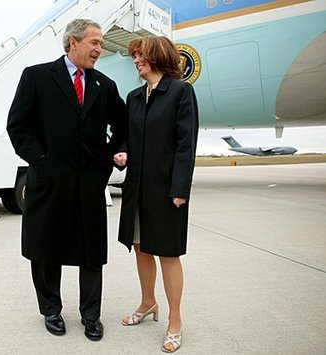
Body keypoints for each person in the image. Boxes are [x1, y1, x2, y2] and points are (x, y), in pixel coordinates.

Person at [7, 19, 126, 341]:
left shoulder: (104, 85)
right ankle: (51, 310)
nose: (100, 49)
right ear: (73, 42)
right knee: (46, 248)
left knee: (91, 252)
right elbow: (18, 125)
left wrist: (105, 164)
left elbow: (123, 127)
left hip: (88, 182)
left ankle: (91, 315)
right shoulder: (36, 77)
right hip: (49, 181)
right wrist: (40, 161)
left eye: (100, 43)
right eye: (95, 43)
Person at [114, 36, 198, 353]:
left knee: (168, 253)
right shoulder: (134, 97)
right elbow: (124, 137)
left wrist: (179, 189)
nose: (136, 60)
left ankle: (174, 320)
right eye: (135, 56)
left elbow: (185, 145)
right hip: (137, 188)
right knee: (140, 246)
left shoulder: (180, 92)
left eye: (141, 55)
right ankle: (148, 303)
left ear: (158, 56)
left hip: (166, 191)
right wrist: (121, 152)